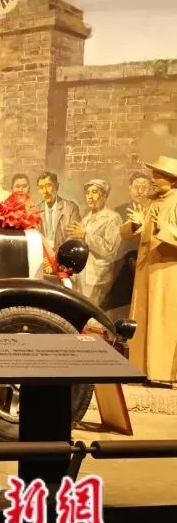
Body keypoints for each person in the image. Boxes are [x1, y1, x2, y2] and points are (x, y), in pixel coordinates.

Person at [123, 155, 177, 383]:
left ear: (172, 180)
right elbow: (128, 232)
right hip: (146, 269)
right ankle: (141, 368)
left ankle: (163, 372)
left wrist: (163, 228)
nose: (153, 180)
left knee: (163, 319)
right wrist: (137, 223)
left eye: (158, 176)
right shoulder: (152, 202)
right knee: (144, 318)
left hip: (167, 272)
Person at [104, 171, 154, 315]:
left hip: (145, 262)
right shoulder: (118, 211)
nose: (140, 191)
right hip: (122, 264)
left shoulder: (153, 211)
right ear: (130, 188)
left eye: (144, 187)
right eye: (137, 187)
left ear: (150, 189)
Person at [67, 179, 122, 305]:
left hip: (98, 278)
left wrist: (85, 235)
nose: (90, 197)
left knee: (93, 310)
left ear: (104, 195)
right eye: (87, 193)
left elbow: (110, 250)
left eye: (94, 192)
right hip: (82, 276)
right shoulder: (86, 219)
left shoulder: (113, 218)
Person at [37, 171, 82, 250]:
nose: (45, 191)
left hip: (64, 253)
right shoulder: (35, 211)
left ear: (57, 187)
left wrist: (59, 252)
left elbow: (74, 236)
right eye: (41, 187)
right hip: (42, 254)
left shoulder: (71, 208)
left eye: (48, 186)